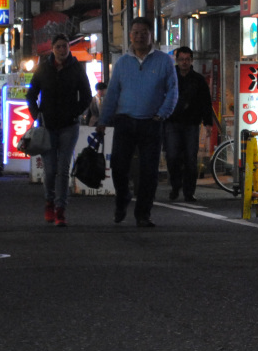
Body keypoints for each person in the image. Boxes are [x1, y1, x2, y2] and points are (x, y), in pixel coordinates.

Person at [96, 18, 178, 227]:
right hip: (124, 120)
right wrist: (104, 119)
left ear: (151, 35)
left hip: (151, 121)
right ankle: (122, 197)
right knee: (118, 166)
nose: (139, 36)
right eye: (136, 32)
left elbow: (173, 91)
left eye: (144, 32)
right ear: (130, 35)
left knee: (148, 171)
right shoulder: (123, 62)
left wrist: (162, 114)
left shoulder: (164, 61)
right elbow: (113, 93)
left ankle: (143, 213)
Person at [26, 34, 93, 226]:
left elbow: (87, 95)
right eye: (58, 47)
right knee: (50, 170)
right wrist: (36, 114)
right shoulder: (44, 68)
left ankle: (60, 209)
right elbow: (31, 94)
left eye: (64, 47)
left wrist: (76, 113)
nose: (62, 50)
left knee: (63, 169)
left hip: (69, 126)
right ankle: (49, 202)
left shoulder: (76, 68)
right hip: (47, 126)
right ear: (52, 49)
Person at [164, 47, 219, 202]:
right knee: (172, 156)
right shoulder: (169, 77)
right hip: (172, 121)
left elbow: (205, 102)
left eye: (187, 59)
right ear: (177, 60)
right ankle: (175, 186)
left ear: (192, 60)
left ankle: (189, 191)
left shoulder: (198, 79)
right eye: (181, 59)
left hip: (191, 123)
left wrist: (208, 123)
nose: (184, 62)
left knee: (190, 158)